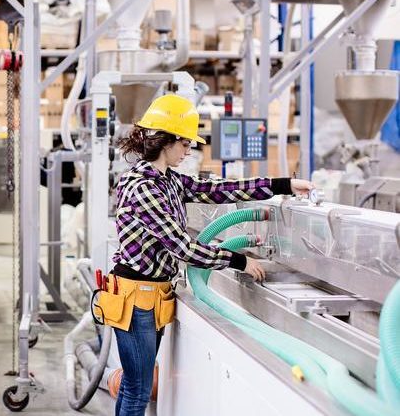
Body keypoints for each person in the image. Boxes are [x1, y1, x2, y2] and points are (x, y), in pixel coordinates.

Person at [106, 94, 313, 416]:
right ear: (168, 141)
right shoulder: (143, 187)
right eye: (186, 144)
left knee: (137, 385)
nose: (189, 151)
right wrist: (239, 260)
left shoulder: (168, 181)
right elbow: (182, 247)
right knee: (138, 388)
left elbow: (218, 190)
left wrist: (283, 184)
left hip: (153, 295)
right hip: (135, 298)